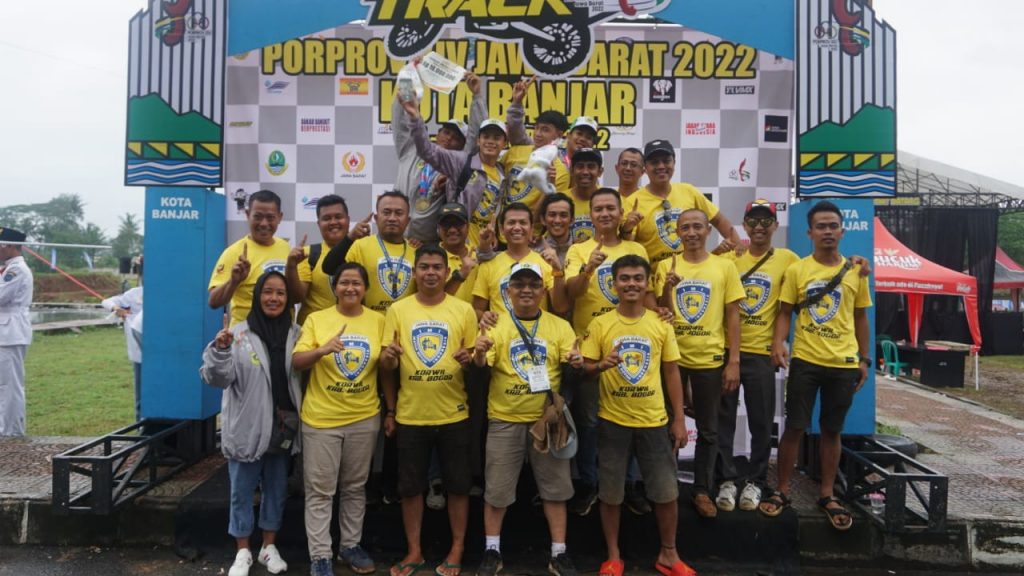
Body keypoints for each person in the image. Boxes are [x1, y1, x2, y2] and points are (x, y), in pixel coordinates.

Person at [579, 255, 695, 576]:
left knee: (666, 492)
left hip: (654, 422)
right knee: (611, 493)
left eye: (638, 278)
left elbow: (671, 372)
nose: (631, 284)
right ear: (614, 283)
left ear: (647, 283)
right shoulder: (600, 324)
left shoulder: (661, 323)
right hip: (612, 422)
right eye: (625, 278)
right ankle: (613, 556)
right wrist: (599, 365)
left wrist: (679, 418)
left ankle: (669, 554)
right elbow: (585, 369)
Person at [760, 201, 871, 532]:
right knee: (795, 426)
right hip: (806, 360)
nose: (827, 231)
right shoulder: (798, 270)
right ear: (810, 232)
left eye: (833, 225)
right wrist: (778, 342)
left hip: (843, 362)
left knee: (832, 430)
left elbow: (860, 317)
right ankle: (782, 490)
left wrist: (864, 359)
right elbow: (784, 311)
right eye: (821, 226)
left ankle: (826, 494)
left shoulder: (856, 271)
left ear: (842, 231)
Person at [472, 262, 581, 576]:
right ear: (508, 291)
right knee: (497, 491)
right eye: (519, 284)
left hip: (546, 421)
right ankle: (492, 550)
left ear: (543, 291)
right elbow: (481, 367)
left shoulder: (559, 326)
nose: (526, 290)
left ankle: (559, 553)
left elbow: (571, 368)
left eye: (533, 285)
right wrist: (478, 353)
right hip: (504, 418)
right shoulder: (495, 324)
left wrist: (575, 363)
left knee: (556, 490)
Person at [381, 245, 479, 576]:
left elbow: (475, 362)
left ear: (447, 271)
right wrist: (391, 406)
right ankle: (414, 551)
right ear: (415, 272)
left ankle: (457, 548)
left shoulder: (464, 310)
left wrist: (469, 360)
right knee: (410, 488)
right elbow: (387, 366)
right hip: (410, 415)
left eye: (437, 267)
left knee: (458, 486)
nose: (431, 272)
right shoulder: (398, 310)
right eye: (424, 267)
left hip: (454, 413)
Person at [200, 271, 303, 576]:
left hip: (283, 426)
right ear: (257, 296)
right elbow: (216, 379)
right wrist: (220, 350)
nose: (274, 298)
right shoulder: (238, 334)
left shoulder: (297, 334)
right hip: (248, 425)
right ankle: (242, 550)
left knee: (276, 488)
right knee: (241, 491)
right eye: (267, 292)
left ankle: (268, 547)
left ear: (288, 299)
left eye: (281, 293)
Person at [292, 262, 385, 576]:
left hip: (364, 417)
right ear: (334, 287)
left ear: (365, 288)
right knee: (320, 490)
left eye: (356, 283)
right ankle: (320, 555)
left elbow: (385, 365)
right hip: (322, 420)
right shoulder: (317, 319)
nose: (350, 288)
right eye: (344, 282)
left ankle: (350, 546)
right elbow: (297, 361)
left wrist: (390, 358)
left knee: (355, 487)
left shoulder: (378, 320)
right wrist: (321, 350)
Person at [562, 189, 649, 515]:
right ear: (591, 215)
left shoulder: (636, 248)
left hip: (631, 345)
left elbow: (646, 293)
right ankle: (589, 483)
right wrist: (588, 269)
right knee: (588, 421)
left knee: (629, 417)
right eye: (598, 209)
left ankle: (629, 484)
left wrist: (663, 310)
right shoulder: (578, 249)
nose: (605, 214)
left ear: (620, 212)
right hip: (589, 348)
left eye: (610, 208)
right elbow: (570, 294)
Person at [654, 209, 744, 519]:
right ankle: (666, 486)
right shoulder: (665, 266)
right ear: (677, 233)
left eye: (697, 227)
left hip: (710, 359)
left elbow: (733, 315)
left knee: (709, 429)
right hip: (671, 360)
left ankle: (702, 490)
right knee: (667, 425)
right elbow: (661, 313)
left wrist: (734, 360)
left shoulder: (724, 266)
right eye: (685, 228)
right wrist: (667, 288)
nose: (691, 232)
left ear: (708, 230)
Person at [715, 200, 799, 512]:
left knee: (761, 422)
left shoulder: (788, 259)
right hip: (726, 352)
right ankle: (725, 479)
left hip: (762, 354)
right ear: (744, 225)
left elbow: (815, 274)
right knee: (723, 420)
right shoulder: (730, 259)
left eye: (766, 221)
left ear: (776, 225)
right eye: (753, 221)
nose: (759, 227)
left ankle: (756, 480)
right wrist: (719, 250)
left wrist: (855, 262)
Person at [402, 91, 506, 248]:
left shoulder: (503, 173)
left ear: (505, 143)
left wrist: (496, 233)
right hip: (458, 246)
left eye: (497, 138)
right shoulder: (462, 161)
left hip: (486, 249)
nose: (491, 142)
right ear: (478, 140)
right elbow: (427, 151)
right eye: (486, 137)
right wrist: (416, 119)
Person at [393, 70, 485, 244]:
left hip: (425, 243)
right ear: (438, 133)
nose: (449, 138)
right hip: (393, 235)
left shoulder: (456, 165)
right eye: (446, 132)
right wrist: (407, 74)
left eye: (456, 138)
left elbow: (476, 136)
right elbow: (400, 119)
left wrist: (477, 96)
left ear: (462, 146)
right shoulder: (410, 149)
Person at [631, 140, 741, 264]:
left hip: (693, 272)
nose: (661, 166)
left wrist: (739, 248)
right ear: (645, 167)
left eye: (666, 161)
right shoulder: (633, 201)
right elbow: (628, 244)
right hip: (655, 274)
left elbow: (719, 220)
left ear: (674, 163)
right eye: (654, 162)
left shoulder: (689, 191)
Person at [473, 203, 568, 322]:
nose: (517, 227)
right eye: (511, 222)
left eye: (523, 223)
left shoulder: (546, 263)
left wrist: (558, 270)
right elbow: (477, 310)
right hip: (501, 332)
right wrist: (484, 316)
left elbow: (560, 307)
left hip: (537, 331)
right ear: (501, 229)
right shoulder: (488, 265)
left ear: (531, 229)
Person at [209, 190, 290, 326]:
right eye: (257, 217)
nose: (264, 223)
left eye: (270, 217)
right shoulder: (234, 253)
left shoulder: (286, 248)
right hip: (245, 334)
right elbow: (213, 302)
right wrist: (233, 281)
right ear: (247, 215)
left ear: (280, 217)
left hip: (281, 333)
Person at [286, 194, 365, 324]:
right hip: (314, 331)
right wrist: (291, 266)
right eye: (327, 218)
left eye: (338, 217)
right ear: (319, 224)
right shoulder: (307, 254)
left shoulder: (362, 250)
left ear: (348, 220)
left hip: (353, 328)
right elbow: (296, 298)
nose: (333, 222)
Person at [501, 78, 570, 214]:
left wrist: (550, 185)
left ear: (559, 134)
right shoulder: (516, 150)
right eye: (536, 128)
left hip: (532, 226)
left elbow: (551, 211)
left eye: (545, 130)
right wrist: (516, 102)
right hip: (502, 224)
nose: (538, 134)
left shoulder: (560, 172)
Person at [344, 192, 417, 314]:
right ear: (376, 218)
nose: (392, 218)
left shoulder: (417, 251)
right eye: (386, 212)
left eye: (399, 213)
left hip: (404, 323)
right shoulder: (360, 246)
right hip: (368, 322)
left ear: (408, 220)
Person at [101, 261, 144, 420]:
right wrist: (116, 309)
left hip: (160, 351)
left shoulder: (164, 293)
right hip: (138, 353)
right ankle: (141, 427)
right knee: (140, 396)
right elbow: (106, 301)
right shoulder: (134, 294)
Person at [0, 227, 32, 437]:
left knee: (9, 385)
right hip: (6, 331)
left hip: (11, 332)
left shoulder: (16, 270)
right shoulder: (8, 269)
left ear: (9, 246)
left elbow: (1, 296)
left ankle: (11, 431)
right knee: (3, 384)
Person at [438, 203, 479, 304]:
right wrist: (461, 275)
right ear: (438, 228)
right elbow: (431, 298)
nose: (452, 230)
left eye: (458, 224)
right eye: (446, 224)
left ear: (468, 227)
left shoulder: (479, 256)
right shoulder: (430, 258)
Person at [566, 148, 603, 243]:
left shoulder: (610, 199)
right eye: (580, 166)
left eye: (591, 167)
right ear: (571, 171)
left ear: (600, 171)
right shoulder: (561, 200)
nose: (585, 172)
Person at [555, 116, 599, 195]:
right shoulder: (553, 157)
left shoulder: (590, 170)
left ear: (592, 144)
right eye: (579, 134)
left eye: (588, 137)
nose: (582, 139)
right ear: (568, 135)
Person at [530, 193, 575, 269]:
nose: (557, 220)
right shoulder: (532, 251)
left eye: (563, 215)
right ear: (543, 219)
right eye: (552, 215)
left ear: (572, 220)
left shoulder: (582, 249)